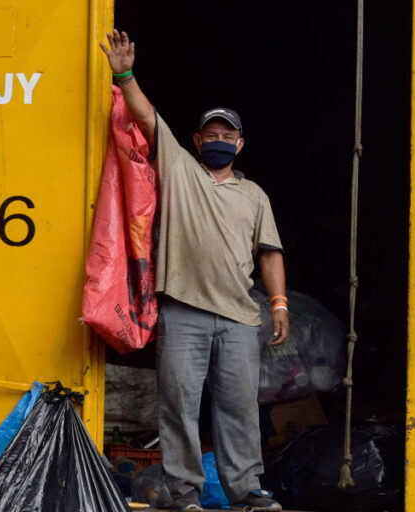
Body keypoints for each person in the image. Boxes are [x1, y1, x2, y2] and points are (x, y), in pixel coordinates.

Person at [100, 30, 289, 512]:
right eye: (213, 134)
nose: (220, 141)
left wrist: (279, 302)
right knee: (178, 407)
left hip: (240, 319)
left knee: (238, 411)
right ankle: (184, 495)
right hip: (182, 312)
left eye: (229, 136)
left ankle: (246, 490)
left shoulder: (255, 196)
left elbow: (269, 253)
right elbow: (145, 115)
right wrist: (124, 74)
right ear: (196, 140)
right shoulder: (181, 169)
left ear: (241, 144)